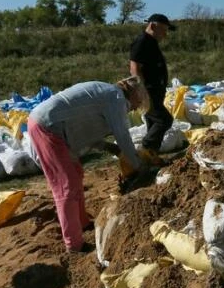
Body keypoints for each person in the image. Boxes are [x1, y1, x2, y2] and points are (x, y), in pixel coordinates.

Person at [28, 77, 148, 253]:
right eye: (140, 101)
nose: (137, 107)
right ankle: (74, 245)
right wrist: (138, 166)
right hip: (47, 127)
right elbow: (122, 136)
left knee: (76, 173)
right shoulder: (116, 98)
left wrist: (108, 147)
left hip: (53, 126)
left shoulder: (108, 94)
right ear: (135, 94)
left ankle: (82, 222)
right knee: (66, 186)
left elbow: (87, 126)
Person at [129, 13, 175, 161]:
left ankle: (152, 155)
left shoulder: (151, 42)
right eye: (164, 29)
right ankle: (146, 150)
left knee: (153, 121)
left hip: (156, 90)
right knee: (164, 120)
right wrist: (141, 90)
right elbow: (134, 67)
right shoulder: (142, 41)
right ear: (153, 26)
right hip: (148, 91)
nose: (165, 34)